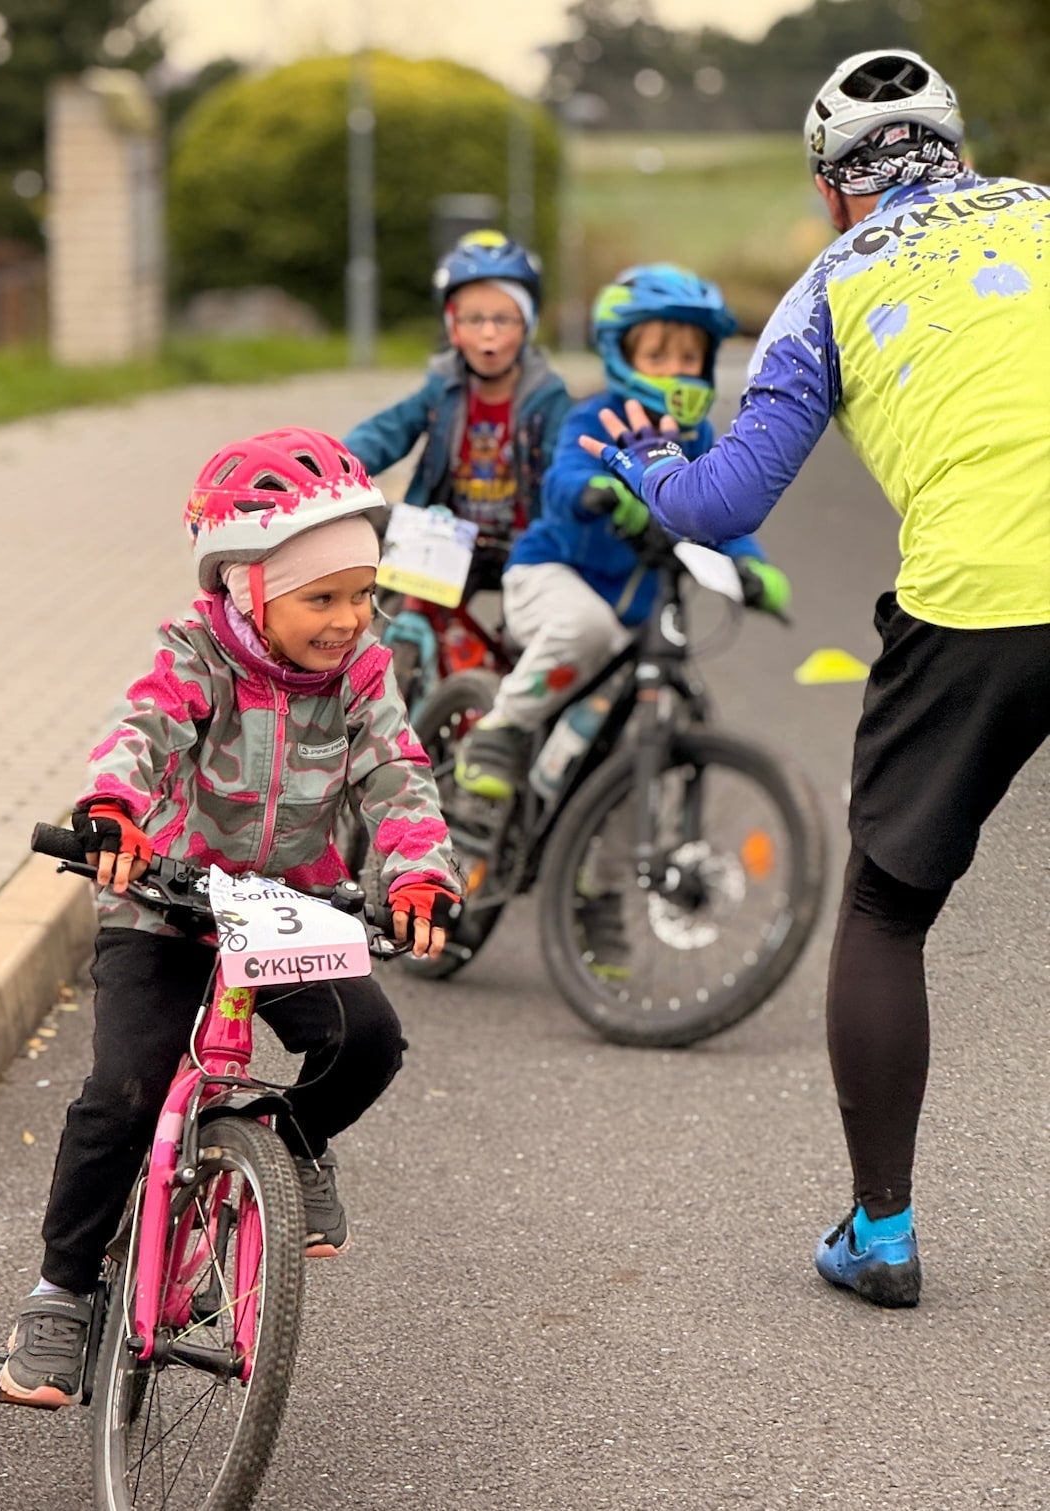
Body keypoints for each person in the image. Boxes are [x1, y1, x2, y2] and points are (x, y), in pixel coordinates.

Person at [581, 50, 1050, 1309]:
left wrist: (647, 462)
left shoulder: (827, 286)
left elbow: (723, 501)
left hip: (981, 602)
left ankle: (882, 1233)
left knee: (888, 910)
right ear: (959, 148)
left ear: (833, 187)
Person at [0, 427, 462, 1407]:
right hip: (165, 901)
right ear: (249, 588)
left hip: (288, 906)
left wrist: (419, 872)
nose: (348, 619)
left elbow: (397, 773)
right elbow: (143, 726)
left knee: (368, 1040)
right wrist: (113, 810)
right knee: (124, 1089)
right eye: (321, 598)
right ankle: (59, 1294)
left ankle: (283, 1145)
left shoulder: (363, 672)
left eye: (361, 593)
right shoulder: (197, 650)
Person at [453, 263, 792, 803]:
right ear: (622, 357)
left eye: (689, 358)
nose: (676, 370)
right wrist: (600, 490)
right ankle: (501, 730)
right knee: (585, 627)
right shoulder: (595, 418)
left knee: (639, 723)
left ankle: (599, 847)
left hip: (637, 615)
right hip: (552, 576)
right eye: (658, 356)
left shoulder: (697, 437)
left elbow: (716, 512)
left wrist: (751, 564)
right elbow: (563, 480)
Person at [343, 229, 572, 590]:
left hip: (527, 545)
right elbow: (386, 432)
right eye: (473, 319)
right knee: (398, 608)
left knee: (533, 617)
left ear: (527, 326)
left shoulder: (549, 396)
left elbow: (567, 465)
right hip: (444, 537)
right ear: (453, 328)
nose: (488, 333)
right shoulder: (442, 387)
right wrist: (333, 465)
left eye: (504, 320)